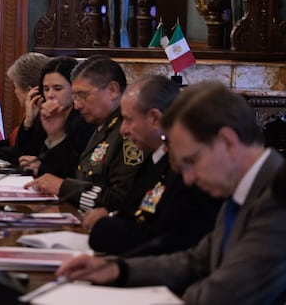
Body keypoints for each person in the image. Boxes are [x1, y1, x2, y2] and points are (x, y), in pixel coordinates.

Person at [57, 81, 286, 304]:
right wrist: (118, 270)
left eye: (192, 161)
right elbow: (194, 261)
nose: (188, 178)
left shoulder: (278, 196)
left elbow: (225, 293)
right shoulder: (242, 189)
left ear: (227, 142)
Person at [84, 75, 220, 256]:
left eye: (129, 120)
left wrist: (104, 225)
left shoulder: (183, 169)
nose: (123, 130)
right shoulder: (155, 159)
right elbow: (132, 211)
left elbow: (165, 238)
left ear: (155, 119)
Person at [27, 55, 143, 212]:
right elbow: (74, 176)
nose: (77, 105)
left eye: (82, 95)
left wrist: (64, 187)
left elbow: (121, 199)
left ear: (112, 90)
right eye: (75, 97)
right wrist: (56, 136)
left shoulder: (128, 132)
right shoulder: (102, 126)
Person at [17, 57, 95, 178]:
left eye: (57, 88)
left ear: (74, 89)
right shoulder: (48, 116)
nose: (50, 95)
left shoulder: (83, 121)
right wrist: (29, 121)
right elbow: (23, 156)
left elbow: (75, 170)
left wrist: (42, 168)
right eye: (46, 89)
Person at [0, 52, 49, 161]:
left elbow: (21, 154)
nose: (15, 91)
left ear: (29, 90)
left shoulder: (48, 115)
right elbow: (15, 142)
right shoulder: (35, 110)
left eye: (15, 87)